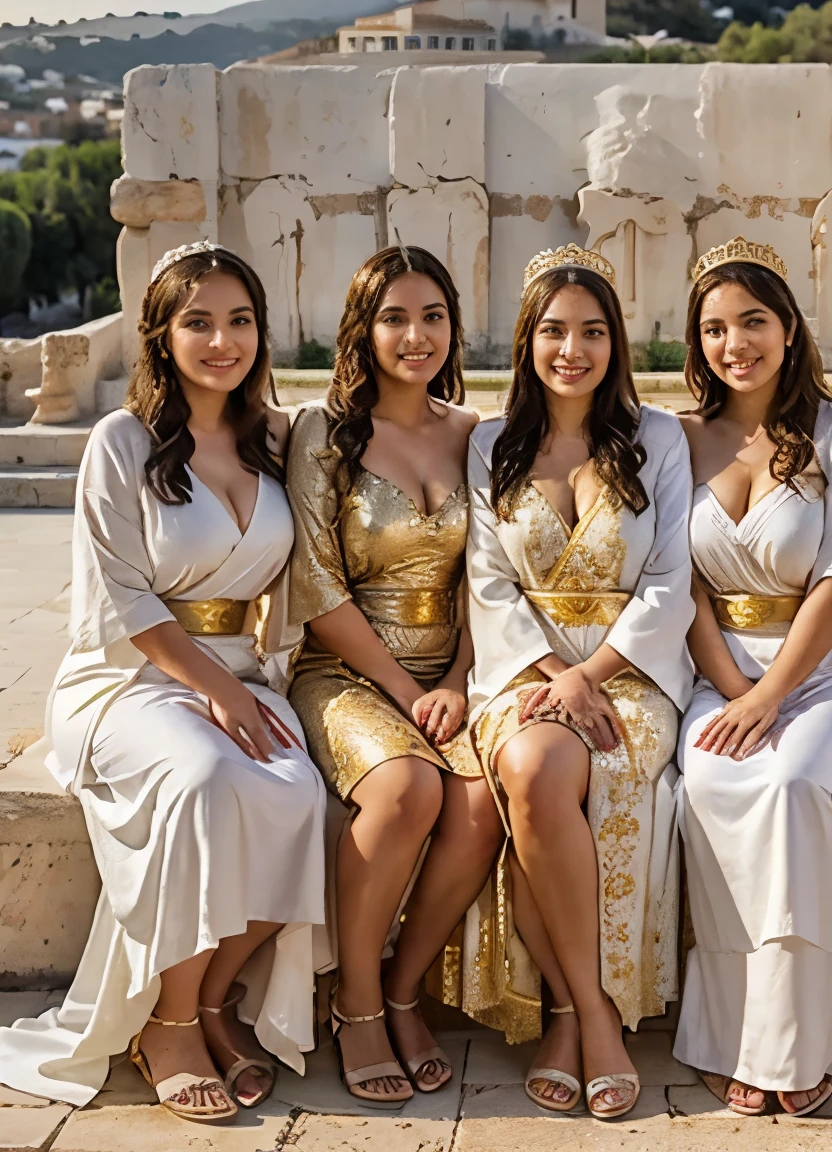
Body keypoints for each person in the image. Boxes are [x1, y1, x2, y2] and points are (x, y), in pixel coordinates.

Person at [0, 242, 327, 1124]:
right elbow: (122, 596)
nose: (223, 340)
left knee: (300, 797)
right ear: (160, 335)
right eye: (199, 321)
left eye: (240, 320)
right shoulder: (122, 443)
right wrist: (218, 690)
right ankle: (168, 1024)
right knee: (206, 782)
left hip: (241, 673)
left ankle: (212, 1000)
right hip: (126, 680)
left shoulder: (275, 441)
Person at [463, 244, 695, 1121]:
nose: (573, 350)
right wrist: (557, 673)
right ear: (527, 341)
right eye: (554, 331)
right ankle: (586, 1009)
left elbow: (671, 578)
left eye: (593, 332)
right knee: (532, 770)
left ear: (616, 343)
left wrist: (594, 671)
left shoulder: (657, 438)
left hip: (631, 672)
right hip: (524, 669)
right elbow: (486, 580)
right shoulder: (491, 445)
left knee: (594, 771)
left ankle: (575, 1016)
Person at [672, 237, 832, 1118]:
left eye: (754, 321)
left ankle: (801, 1040)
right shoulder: (679, 437)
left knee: (800, 787)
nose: (737, 344)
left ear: (791, 329)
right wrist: (731, 688)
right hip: (715, 668)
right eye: (716, 328)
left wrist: (772, 696)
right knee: (719, 784)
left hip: (821, 675)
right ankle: (732, 1037)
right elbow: (675, 581)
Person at [284, 246, 496, 1107]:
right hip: (345, 667)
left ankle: (404, 989)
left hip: (454, 668)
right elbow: (317, 586)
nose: (417, 336)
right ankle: (358, 1002)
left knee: (483, 800)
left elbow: (495, 577)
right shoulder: (323, 432)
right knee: (408, 789)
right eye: (395, 318)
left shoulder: (475, 433)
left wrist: (456, 677)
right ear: (363, 329)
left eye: (433, 316)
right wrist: (407, 692)